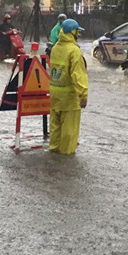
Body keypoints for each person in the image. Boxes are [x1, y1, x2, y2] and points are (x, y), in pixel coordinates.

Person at [49, 19, 88, 154]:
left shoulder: (55, 49)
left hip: (55, 94)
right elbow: (78, 75)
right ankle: (65, 159)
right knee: (69, 131)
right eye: (78, 32)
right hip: (70, 98)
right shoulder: (74, 51)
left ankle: (53, 152)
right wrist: (83, 95)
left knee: (55, 127)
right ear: (73, 32)